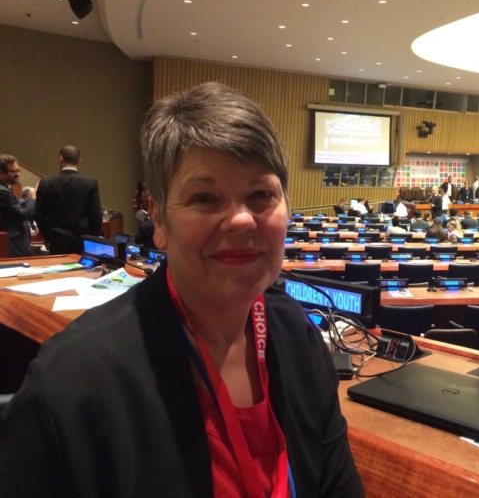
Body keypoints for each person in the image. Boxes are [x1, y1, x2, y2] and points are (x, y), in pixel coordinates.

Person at [0, 83, 364, 496]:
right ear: (158, 220)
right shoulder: (70, 384)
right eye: (205, 198)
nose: (242, 220)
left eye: (261, 194)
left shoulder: (298, 336)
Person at [35, 146, 103, 254]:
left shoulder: (46, 183)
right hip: (82, 241)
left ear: (61, 159)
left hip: (57, 241)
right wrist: (93, 239)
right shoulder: (90, 183)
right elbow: (96, 215)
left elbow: (39, 215)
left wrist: (47, 238)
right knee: (84, 270)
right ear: (79, 160)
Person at [0, 154, 34, 257]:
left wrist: (25, 201)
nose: (17, 174)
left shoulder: (6, 187)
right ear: (1, 173)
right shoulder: (2, 190)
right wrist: (33, 198)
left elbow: (14, 206)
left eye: (18, 170)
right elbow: (21, 214)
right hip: (12, 244)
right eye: (13, 171)